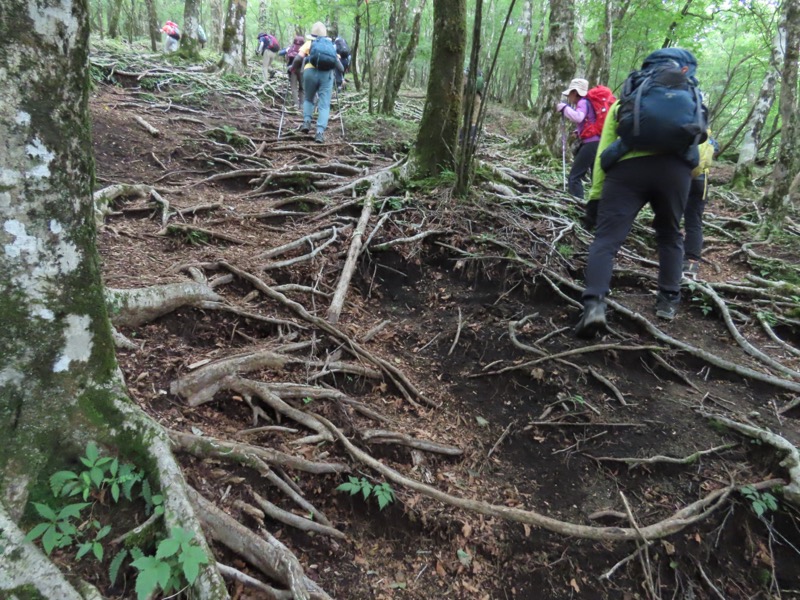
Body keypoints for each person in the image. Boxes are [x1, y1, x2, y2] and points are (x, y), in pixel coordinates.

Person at [574, 48, 707, 338]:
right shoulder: (692, 100)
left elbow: (603, 150)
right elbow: (700, 148)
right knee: (670, 234)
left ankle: (594, 305)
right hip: (674, 173)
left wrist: (595, 196)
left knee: (607, 239)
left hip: (626, 173)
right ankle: (668, 302)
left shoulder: (629, 99)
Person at [556, 78, 600, 202]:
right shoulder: (589, 103)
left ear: (575, 92)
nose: (569, 97)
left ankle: (577, 205)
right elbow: (589, 121)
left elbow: (578, 117)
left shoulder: (582, 102)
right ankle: (596, 204)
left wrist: (564, 108)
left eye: (569, 93)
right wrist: (578, 132)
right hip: (597, 143)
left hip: (590, 144)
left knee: (574, 177)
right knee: (595, 176)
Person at [297, 22, 342, 143]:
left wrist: (292, 68)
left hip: (309, 72)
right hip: (326, 75)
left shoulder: (309, 43)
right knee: (324, 104)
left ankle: (306, 122)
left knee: (308, 99)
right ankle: (320, 133)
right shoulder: (331, 46)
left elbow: (298, 59)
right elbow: (340, 67)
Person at [683, 134, 718, 279]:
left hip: (679, 176)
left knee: (670, 214)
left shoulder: (682, 127)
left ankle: (669, 254)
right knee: (694, 222)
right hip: (700, 181)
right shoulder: (708, 136)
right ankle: (691, 262)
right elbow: (715, 150)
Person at [279, 35, 306, 110]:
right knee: (302, 88)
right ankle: (302, 105)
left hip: (292, 70)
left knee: (294, 87)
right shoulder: (305, 49)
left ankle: (296, 104)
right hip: (302, 70)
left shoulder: (290, 48)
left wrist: (286, 51)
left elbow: (280, 53)